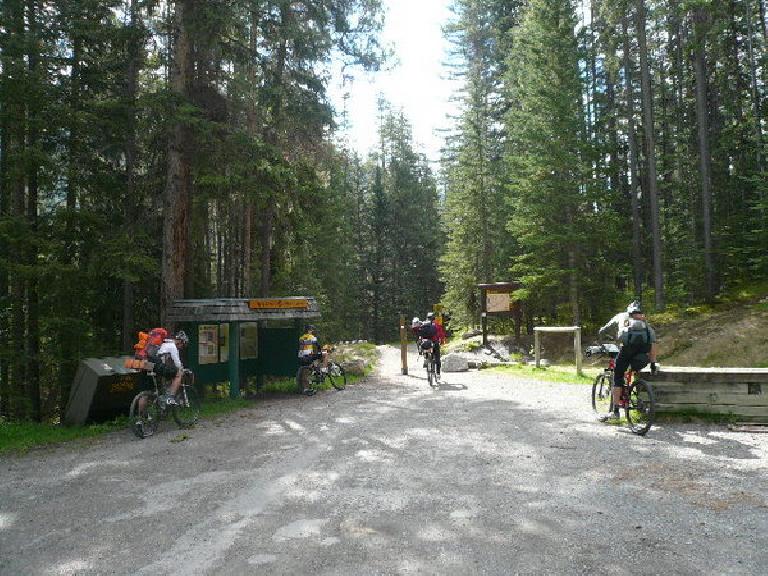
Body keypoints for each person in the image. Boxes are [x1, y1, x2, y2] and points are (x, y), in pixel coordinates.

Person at [599, 302, 659, 421]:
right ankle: (634, 387)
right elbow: (653, 346)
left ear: (629, 312)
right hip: (642, 358)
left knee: (618, 376)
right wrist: (653, 363)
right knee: (633, 368)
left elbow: (604, 329)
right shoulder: (647, 326)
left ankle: (615, 412)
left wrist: (601, 335)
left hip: (626, 352)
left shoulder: (621, 316)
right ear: (641, 314)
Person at [153, 330, 189, 405]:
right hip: (160, 366)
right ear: (180, 342)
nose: (182, 347)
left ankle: (165, 395)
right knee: (179, 374)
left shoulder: (166, 343)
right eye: (183, 344)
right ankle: (170, 397)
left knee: (172, 374)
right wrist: (182, 369)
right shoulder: (172, 346)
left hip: (154, 365)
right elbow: (177, 363)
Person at [297, 325, 325, 396]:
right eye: (311, 330)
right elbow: (317, 345)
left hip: (301, 356)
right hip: (309, 356)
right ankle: (318, 372)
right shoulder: (312, 337)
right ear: (309, 330)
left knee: (304, 372)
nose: (312, 331)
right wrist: (320, 352)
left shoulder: (301, 338)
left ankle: (305, 388)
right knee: (319, 357)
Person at [419, 312, 447, 378]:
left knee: (425, 349)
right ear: (434, 318)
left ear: (427, 318)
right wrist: (442, 341)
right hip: (434, 342)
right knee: (437, 357)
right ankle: (438, 373)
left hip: (425, 342)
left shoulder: (424, 324)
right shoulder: (437, 325)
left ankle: (425, 358)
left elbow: (420, 334)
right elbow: (441, 335)